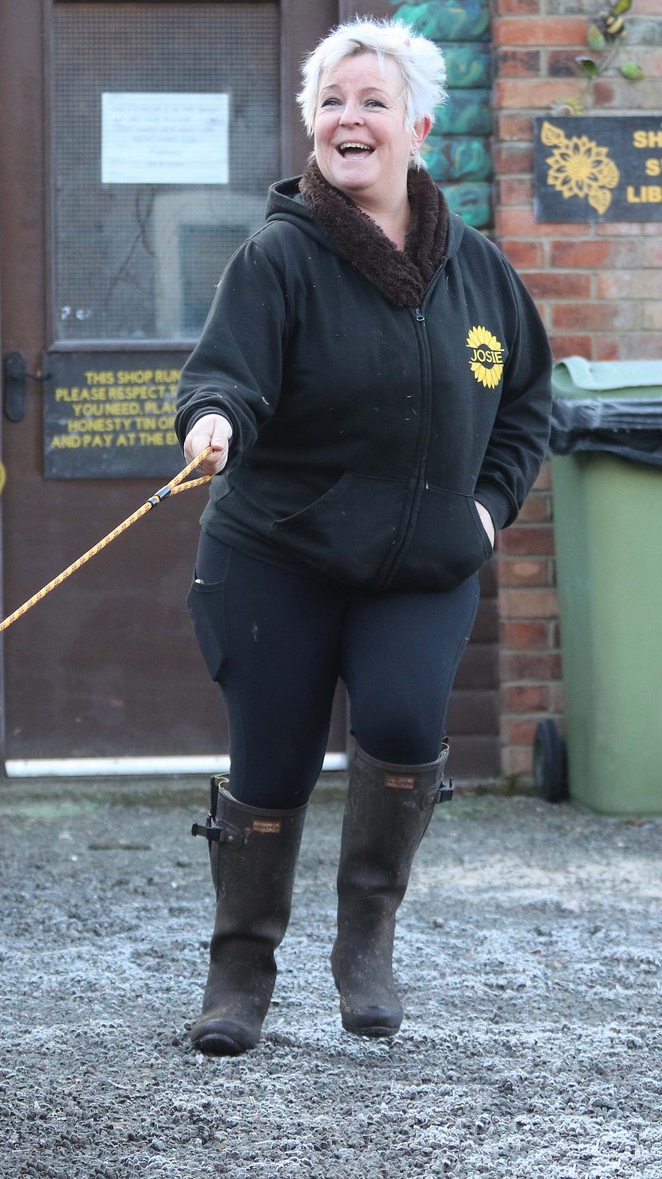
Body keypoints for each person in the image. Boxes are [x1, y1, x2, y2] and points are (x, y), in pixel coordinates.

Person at [176, 17, 553, 1056]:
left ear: (416, 127)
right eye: (333, 102)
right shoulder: (278, 257)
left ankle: (366, 940)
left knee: (400, 718)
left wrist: (486, 509)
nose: (352, 117)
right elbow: (226, 376)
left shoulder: (478, 271)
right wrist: (214, 422)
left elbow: (526, 402)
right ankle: (240, 969)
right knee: (275, 759)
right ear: (313, 127)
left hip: (424, 562)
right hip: (276, 557)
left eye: (373, 102)